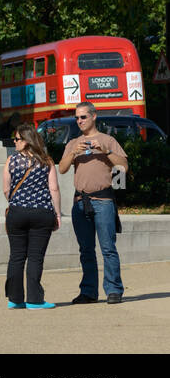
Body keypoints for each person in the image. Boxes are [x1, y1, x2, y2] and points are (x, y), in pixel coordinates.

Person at [57, 101, 128, 304]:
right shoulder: (73, 143)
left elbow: (123, 167)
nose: (79, 121)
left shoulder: (108, 140)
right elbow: (61, 169)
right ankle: (88, 291)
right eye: (77, 118)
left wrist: (105, 151)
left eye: (83, 117)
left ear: (94, 116)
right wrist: (73, 153)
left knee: (108, 248)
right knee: (86, 250)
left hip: (103, 200)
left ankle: (114, 289)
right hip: (80, 202)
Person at [3, 124, 61, 308]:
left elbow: (6, 189)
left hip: (17, 212)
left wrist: (17, 201)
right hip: (41, 212)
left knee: (17, 256)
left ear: (27, 141)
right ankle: (35, 300)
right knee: (35, 257)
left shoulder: (11, 161)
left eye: (17, 139)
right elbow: (54, 188)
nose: (14, 142)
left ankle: (15, 299)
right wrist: (58, 213)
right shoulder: (46, 161)